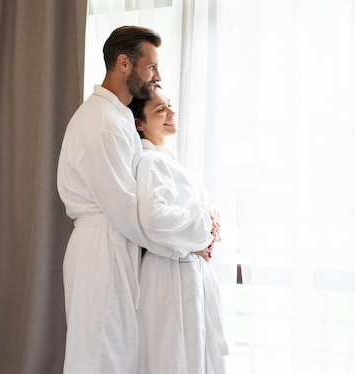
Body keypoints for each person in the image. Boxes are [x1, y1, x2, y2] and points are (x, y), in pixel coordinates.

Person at [57, 26, 197, 373]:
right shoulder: (102, 124)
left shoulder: (116, 117)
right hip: (101, 253)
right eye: (151, 67)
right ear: (124, 63)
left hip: (111, 247)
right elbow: (130, 214)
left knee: (113, 353)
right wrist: (190, 242)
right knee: (100, 357)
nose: (158, 76)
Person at [128, 86, 229, 373]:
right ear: (140, 123)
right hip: (168, 277)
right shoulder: (150, 162)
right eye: (160, 109)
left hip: (184, 273)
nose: (171, 113)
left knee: (189, 357)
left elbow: (193, 215)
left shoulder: (165, 159)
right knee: (171, 360)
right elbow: (154, 218)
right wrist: (205, 223)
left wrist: (210, 227)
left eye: (169, 105)